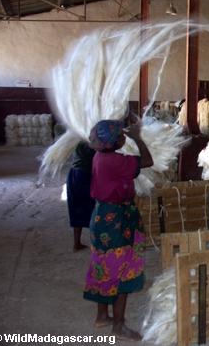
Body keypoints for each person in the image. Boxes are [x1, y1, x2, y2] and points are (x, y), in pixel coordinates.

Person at [84, 120, 153, 341]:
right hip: (117, 221)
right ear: (116, 141)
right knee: (121, 271)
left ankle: (102, 315)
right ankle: (118, 325)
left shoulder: (99, 157)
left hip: (102, 216)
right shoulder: (115, 161)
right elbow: (148, 161)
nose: (124, 137)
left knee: (103, 265)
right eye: (121, 135)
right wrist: (137, 137)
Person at [66, 141, 96, 251]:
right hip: (85, 175)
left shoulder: (78, 138)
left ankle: (76, 243)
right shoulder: (91, 140)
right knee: (93, 209)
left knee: (76, 208)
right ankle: (95, 244)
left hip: (74, 174)